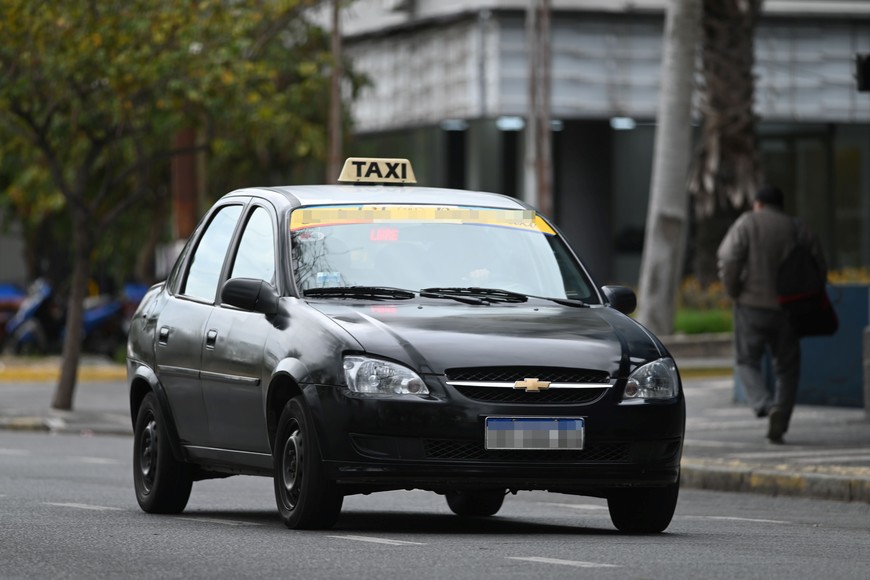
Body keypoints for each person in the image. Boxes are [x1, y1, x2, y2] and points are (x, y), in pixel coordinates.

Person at [716, 185, 827, 444]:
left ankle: (764, 404)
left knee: (746, 361)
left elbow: (728, 258)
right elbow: (819, 265)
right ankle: (781, 417)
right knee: (787, 369)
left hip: (751, 306)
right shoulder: (797, 227)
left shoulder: (746, 224)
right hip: (790, 309)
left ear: (758, 204)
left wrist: (734, 291)